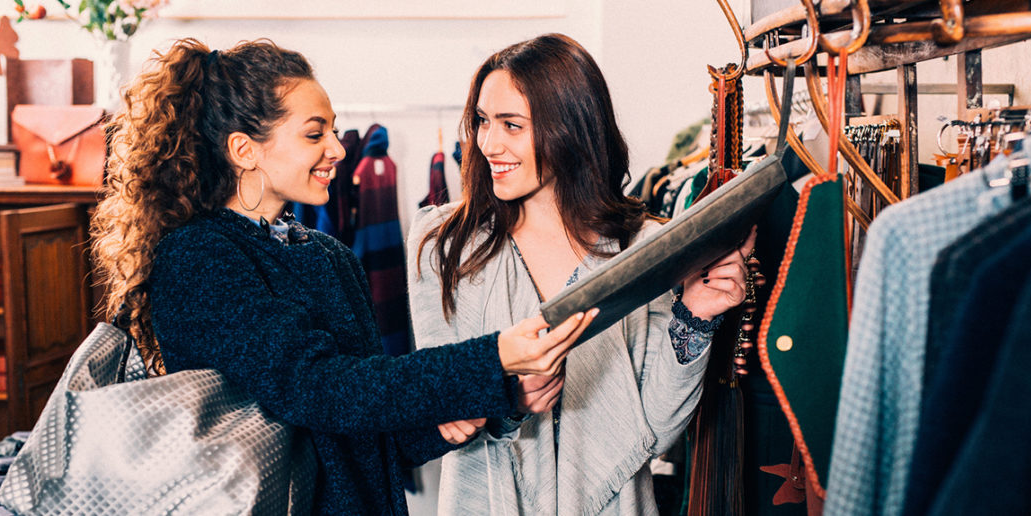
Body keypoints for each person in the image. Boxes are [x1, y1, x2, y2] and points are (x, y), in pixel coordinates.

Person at [88, 38, 597, 516]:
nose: (336, 148)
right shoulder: (198, 258)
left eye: (333, 129)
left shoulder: (326, 256)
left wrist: (469, 411)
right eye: (315, 134)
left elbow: (361, 434)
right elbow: (316, 388)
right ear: (245, 150)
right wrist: (494, 357)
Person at [407, 33, 755, 514]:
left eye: (512, 125)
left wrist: (694, 318)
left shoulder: (642, 249)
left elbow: (654, 429)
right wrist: (505, 395)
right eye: (483, 121)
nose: (487, 143)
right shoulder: (443, 244)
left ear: (570, 128)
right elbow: (439, 404)